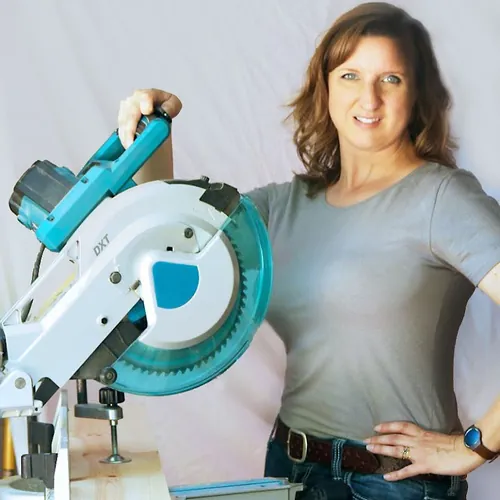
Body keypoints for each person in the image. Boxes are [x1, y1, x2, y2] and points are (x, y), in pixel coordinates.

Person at [116, 2, 500, 499]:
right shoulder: (283, 206)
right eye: (350, 75)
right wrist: (153, 133)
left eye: (391, 79)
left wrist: (475, 446)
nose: (369, 97)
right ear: (325, 87)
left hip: (393, 485)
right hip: (290, 468)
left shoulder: (442, 198)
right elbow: (172, 243)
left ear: (417, 95)